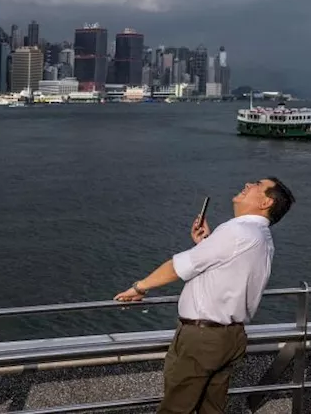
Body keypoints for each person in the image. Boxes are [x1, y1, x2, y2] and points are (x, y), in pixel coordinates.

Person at [114, 177, 295, 414]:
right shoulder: (262, 238)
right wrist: (206, 243)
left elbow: (178, 266)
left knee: (176, 408)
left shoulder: (237, 230)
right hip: (231, 337)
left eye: (257, 185)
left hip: (202, 338)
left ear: (265, 202)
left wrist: (139, 287)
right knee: (212, 408)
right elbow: (228, 270)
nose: (248, 184)